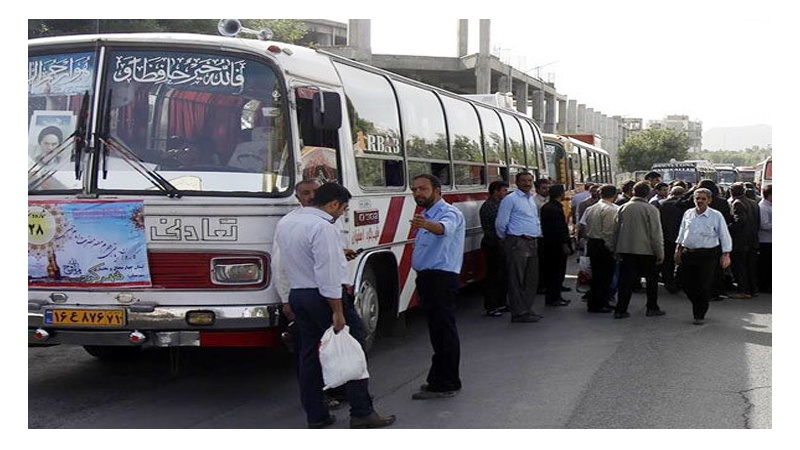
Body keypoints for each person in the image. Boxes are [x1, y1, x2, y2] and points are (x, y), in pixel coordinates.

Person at [274, 182, 395, 428]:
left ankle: (316, 415)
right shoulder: (323, 226)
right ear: (333, 204)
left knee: (309, 355)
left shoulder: (288, 222)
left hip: (299, 294)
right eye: (343, 208)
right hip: (323, 296)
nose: (342, 213)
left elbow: (285, 262)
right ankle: (362, 411)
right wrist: (338, 310)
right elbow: (327, 273)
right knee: (353, 347)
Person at [409, 174, 466, 400]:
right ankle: (438, 378)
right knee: (437, 332)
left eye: (423, 189)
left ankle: (446, 383)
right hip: (428, 278)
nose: (418, 193)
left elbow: (444, 229)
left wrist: (427, 225)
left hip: (440, 279)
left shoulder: (447, 212)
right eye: (414, 189)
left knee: (444, 332)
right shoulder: (426, 214)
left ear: (437, 190)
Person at [675, 188, 733, 325]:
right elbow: (682, 231)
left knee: (703, 285)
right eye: (697, 198)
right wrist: (678, 250)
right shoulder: (688, 213)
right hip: (688, 253)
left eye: (703, 199)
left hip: (707, 255)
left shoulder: (716, 215)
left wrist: (726, 254)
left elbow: (724, 235)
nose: (699, 201)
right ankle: (697, 302)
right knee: (684, 283)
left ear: (709, 200)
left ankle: (699, 314)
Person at [612, 181, 665, 319]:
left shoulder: (623, 207)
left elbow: (616, 231)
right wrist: (660, 253)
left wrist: (615, 250)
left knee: (625, 282)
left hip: (626, 250)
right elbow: (655, 234)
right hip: (646, 251)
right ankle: (652, 307)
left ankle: (620, 309)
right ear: (648, 193)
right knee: (651, 281)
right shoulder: (651, 209)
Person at [495, 171, 543, 323]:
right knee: (517, 279)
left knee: (531, 279)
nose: (527, 183)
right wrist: (507, 238)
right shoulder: (511, 199)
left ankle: (527, 309)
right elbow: (501, 223)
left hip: (532, 242)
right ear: (516, 182)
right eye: (523, 181)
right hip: (517, 241)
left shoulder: (530, 199)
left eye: (529, 180)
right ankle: (519, 312)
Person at [582, 184, 619, 313]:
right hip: (602, 245)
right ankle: (599, 303)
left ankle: (598, 302)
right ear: (615, 195)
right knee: (604, 276)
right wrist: (612, 249)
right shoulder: (610, 210)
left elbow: (586, 227)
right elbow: (608, 232)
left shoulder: (592, 208)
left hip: (593, 242)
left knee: (597, 275)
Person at [479, 180, 509, 317]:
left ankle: (501, 303)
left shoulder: (499, 204)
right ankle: (492, 306)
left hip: (499, 243)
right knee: (494, 276)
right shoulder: (489, 206)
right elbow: (498, 224)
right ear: (496, 191)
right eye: (503, 190)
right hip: (493, 244)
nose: (505, 193)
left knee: (502, 275)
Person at [540, 184, 573, 307]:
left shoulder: (546, 207)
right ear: (561, 194)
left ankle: (553, 297)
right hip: (557, 245)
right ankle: (555, 298)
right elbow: (560, 229)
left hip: (548, 243)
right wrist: (565, 244)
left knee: (551, 272)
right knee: (557, 272)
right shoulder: (555, 209)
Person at [727, 183, 759, 299]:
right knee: (750, 266)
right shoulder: (754, 202)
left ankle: (742, 290)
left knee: (739, 266)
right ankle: (753, 289)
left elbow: (740, 221)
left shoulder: (737, 203)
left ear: (731, 192)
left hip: (741, 241)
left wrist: (727, 227)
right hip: (753, 239)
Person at [659, 185, 686, 294]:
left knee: (668, 262)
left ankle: (668, 282)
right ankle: (679, 282)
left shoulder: (662, 204)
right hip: (681, 236)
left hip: (667, 236)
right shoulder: (685, 205)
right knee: (682, 260)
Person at [757, 184, 772, 293]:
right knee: (765, 265)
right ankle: (764, 286)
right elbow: (764, 225)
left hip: (770, 240)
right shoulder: (763, 207)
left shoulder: (771, 206)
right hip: (765, 241)